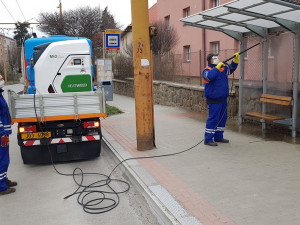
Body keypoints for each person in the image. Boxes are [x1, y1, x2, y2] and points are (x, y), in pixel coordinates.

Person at [202, 53, 239, 146]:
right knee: (213, 119)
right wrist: (217, 68)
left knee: (222, 119)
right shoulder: (207, 70)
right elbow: (210, 76)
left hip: (223, 99)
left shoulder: (222, 69)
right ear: (209, 60)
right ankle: (208, 139)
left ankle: (218, 137)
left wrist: (235, 61)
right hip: (214, 100)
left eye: (217, 57)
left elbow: (230, 70)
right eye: (214, 58)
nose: (217, 59)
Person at [0, 75, 17, 195]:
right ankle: (1, 187)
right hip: (1, 134)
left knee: (5, 159)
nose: (2, 80)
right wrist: (2, 134)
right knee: (2, 160)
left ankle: (3, 180)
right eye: (0, 78)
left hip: (4, 133)